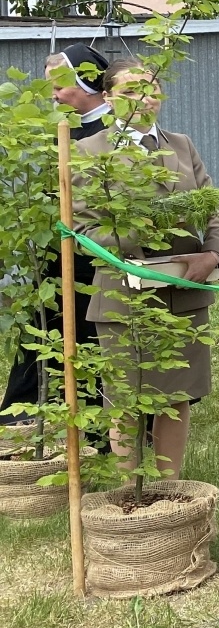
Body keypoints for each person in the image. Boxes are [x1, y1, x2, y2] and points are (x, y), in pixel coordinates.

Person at [79, 59, 219, 481]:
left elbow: (216, 205)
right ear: (108, 99)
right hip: (123, 296)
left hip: (185, 290)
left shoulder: (181, 144)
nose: (142, 100)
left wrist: (214, 254)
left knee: (176, 397)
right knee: (126, 400)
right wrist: (143, 228)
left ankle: (170, 491)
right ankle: (133, 494)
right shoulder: (90, 152)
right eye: (129, 92)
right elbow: (83, 228)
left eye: (149, 89)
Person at [2, 43, 112, 423]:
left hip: (99, 257)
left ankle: (100, 420)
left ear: (85, 82)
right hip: (56, 257)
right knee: (45, 332)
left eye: (58, 86)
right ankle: (26, 419)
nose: (51, 95)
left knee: (94, 338)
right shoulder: (61, 129)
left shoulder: (115, 131)